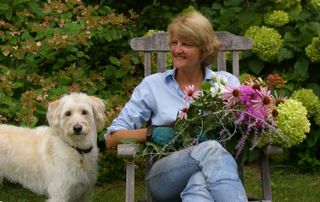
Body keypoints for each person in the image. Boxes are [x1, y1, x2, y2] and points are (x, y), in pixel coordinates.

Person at [105, 11, 248, 202]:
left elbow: (248, 125)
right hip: (164, 176)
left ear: (204, 49)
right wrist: (151, 132)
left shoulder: (226, 83)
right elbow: (112, 138)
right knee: (210, 149)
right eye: (174, 43)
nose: (177, 49)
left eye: (186, 44)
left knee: (199, 187)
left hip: (213, 172)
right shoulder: (152, 86)